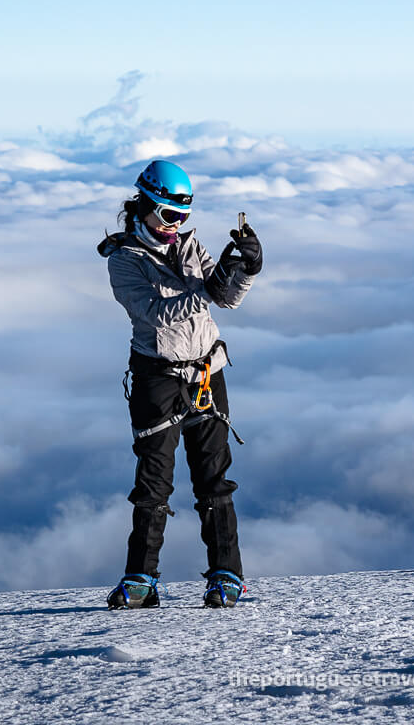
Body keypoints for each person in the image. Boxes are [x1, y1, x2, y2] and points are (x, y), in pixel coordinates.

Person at [96, 158, 263, 609]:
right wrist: (209, 288)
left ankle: (227, 574)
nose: (177, 225)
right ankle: (140, 578)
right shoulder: (124, 260)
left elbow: (225, 298)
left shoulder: (191, 248)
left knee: (215, 479)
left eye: (184, 217)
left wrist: (246, 270)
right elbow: (156, 313)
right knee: (154, 483)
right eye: (170, 215)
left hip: (207, 371)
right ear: (145, 206)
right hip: (159, 378)